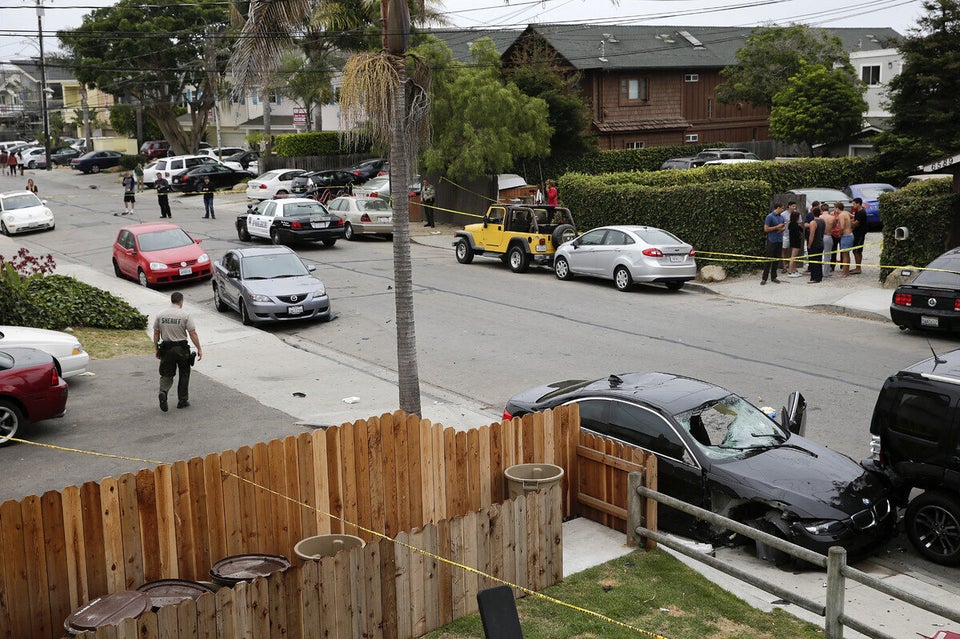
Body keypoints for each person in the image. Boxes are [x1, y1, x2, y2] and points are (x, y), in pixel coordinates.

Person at [153, 291, 202, 411]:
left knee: (166, 373)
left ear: (171, 300)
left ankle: (163, 392)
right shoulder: (185, 315)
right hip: (181, 349)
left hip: (166, 348)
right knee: (184, 373)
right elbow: (192, 333)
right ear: (181, 301)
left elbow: (156, 333)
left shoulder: (160, 315)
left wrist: (156, 348)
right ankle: (182, 400)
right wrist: (199, 348)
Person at [761, 203, 785, 285]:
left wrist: (782, 229)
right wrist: (777, 227)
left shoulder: (782, 217)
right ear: (778, 208)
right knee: (768, 259)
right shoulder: (769, 216)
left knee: (776, 259)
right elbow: (766, 229)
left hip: (779, 240)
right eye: (782, 208)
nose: (783, 210)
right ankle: (764, 278)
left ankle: (774, 277)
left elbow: (782, 227)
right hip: (771, 240)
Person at [807, 207, 825, 284]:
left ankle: (815, 277)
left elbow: (812, 235)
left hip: (815, 244)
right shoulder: (822, 221)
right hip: (821, 243)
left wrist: (809, 244)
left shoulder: (813, 222)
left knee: (813, 261)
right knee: (819, 260)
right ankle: (819, 276)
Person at [835, 202, 854, 277]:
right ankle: (847, 271)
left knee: (844, 255)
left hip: (845, 235)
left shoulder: (841, 215)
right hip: (850, 234)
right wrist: (850, 223)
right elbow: (853, 217)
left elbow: (842, 227)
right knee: (847, 254)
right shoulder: (846, 212)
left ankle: (845, 273)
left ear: (837, 208)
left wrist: (839, 233)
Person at [850, 197, 867, 274]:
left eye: (854, 204)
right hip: (856, 233)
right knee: (855, 251)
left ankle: (858, 268)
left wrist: (848, 222)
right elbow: (854, 220)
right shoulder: (857, 212)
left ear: (858, 204)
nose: (853, 205)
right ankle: (857, 267)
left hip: (860, 234)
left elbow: (856, 223)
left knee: (857, 251)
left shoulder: (861, 212)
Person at [786, 205, 804, 277]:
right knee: (793, 257)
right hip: (795, 242)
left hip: (793, 241)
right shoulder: (794, 225)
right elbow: (798, 233)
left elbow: (801, 230)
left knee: (795, 257)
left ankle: (794, 270)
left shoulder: (792, 224)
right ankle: (790, 272)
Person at [820, 203, 836, 277]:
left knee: (819, 254)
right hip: (828, 235)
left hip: (820, 236)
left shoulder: (819, 217)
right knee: (827, 255)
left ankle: (818, 270)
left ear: (821, 209)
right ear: (828, 209)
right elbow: (834, 226)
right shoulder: (832, 218)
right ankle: (826, 272)